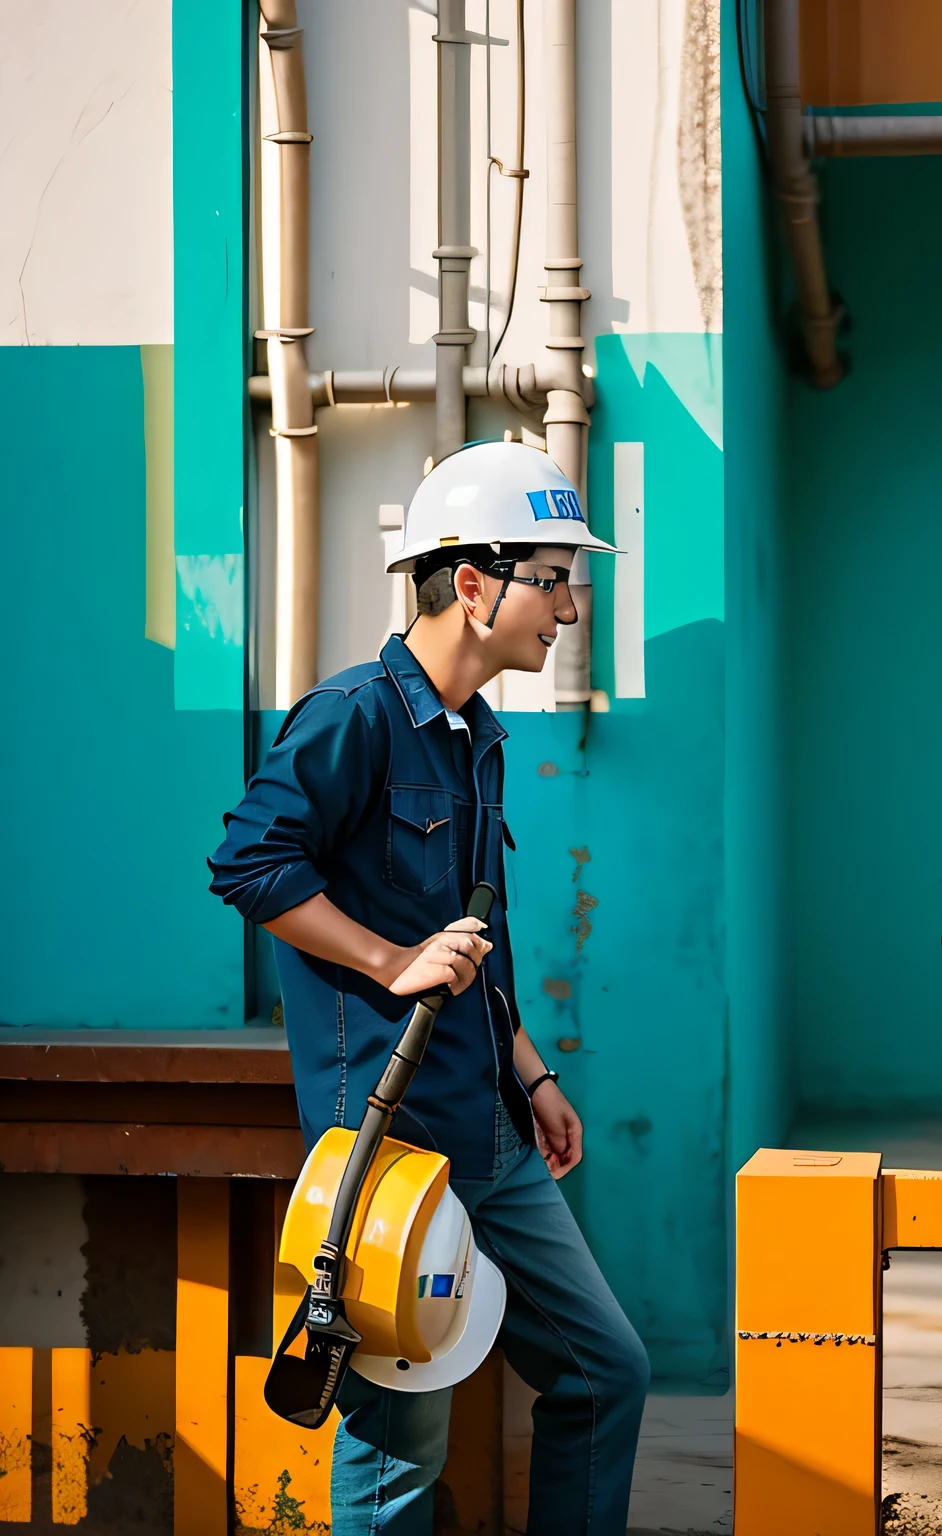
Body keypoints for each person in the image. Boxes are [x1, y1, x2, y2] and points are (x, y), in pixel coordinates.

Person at [209, 442, 649, 1536]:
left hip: (493, 1135)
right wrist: (383, 960)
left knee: (605, 1371)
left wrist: (531, 1070)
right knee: (399, 1447)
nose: (567, 607)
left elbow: (470, 940)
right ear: (471, 583)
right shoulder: (351, 715)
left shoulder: (476, 737)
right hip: (393, 1154)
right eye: (551, 579)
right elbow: (250, 866)